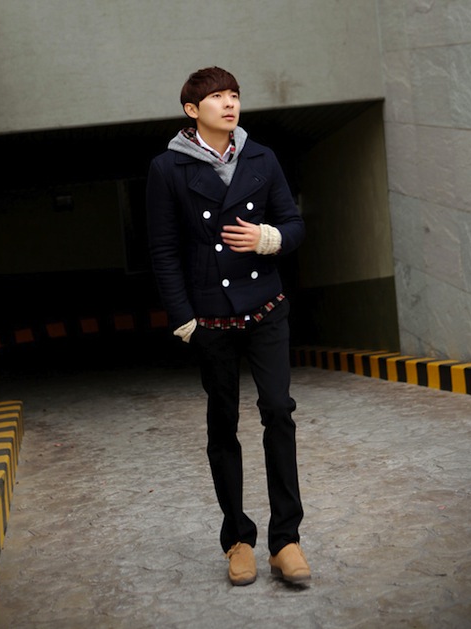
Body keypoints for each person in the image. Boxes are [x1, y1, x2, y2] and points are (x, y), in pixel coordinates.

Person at [146, 66, 310, 586]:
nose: (230, 103)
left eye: (234, 94)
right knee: (223, 424)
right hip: (211, 317)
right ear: (193, 110)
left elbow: (294, 223)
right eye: (218, 96)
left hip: (266, 307)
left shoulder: (262, 157)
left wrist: (268, 239)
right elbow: (164, 250)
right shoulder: (167, 168)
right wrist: (184, 319)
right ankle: (238, 540)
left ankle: (286, 540)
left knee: (278, 411)